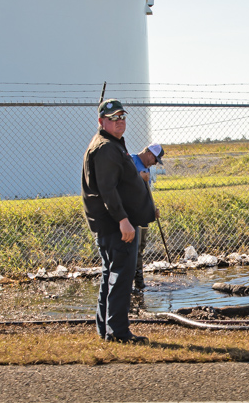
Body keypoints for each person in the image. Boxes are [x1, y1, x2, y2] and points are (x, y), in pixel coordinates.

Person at [82, 99, 156, 344]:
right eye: (113, 118)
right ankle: (119, 333)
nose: (119, 121)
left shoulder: (113, 145)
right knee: (121, 278)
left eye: (122, 117)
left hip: (117, 223)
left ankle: (107, 331)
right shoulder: (105, 148)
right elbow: (108, 190)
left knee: (111, 275)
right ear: (101, 121)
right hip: (116, 226)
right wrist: (124, 220)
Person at [131, 143, 164, 291]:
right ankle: (136, 283)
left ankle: (138, 283)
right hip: (131, 214)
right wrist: (138, 177)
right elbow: (123, 180)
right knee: (134, 249)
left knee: (140, 248)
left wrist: (152, 209)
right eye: (156, 160)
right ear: (150, 154)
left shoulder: (147, 169)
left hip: (143, 213)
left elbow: (145, 192)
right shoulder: (130, 160)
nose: (155, 163)